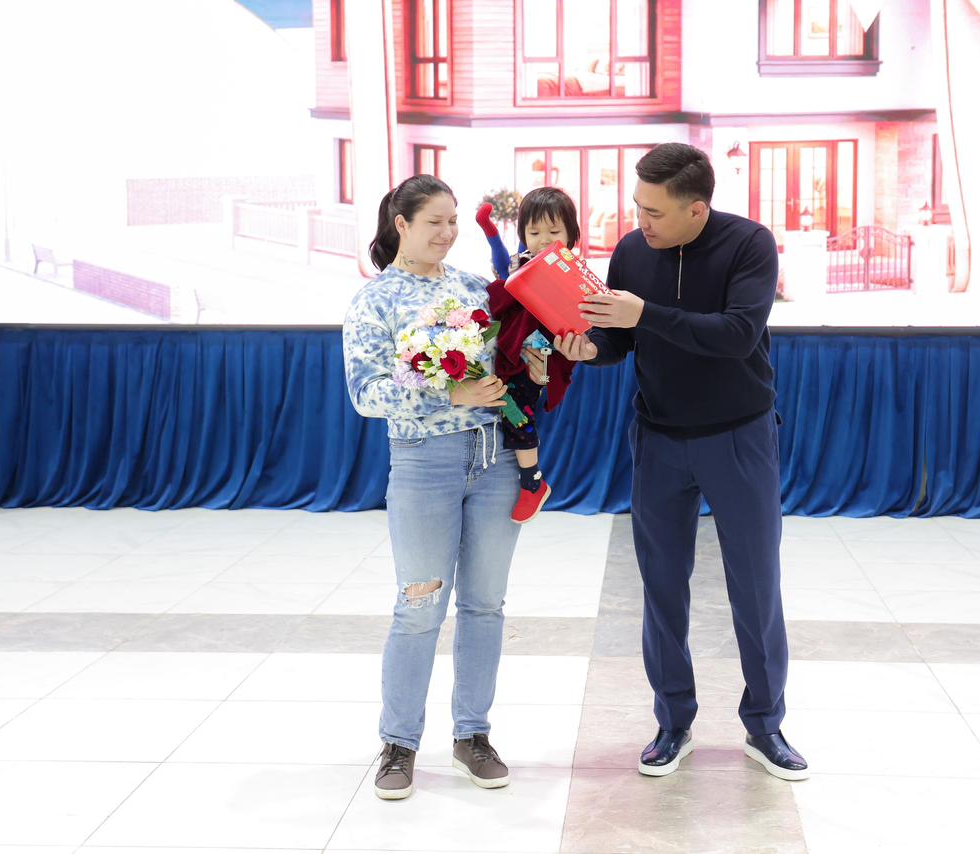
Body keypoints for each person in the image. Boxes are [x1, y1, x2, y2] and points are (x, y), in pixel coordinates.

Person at [554, 143, 809, 781]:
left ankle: (766, 725)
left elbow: (737, 335)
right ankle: (673, 721)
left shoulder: (749, 245)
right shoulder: (631, 251)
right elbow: (619, 339)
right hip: (659, 438)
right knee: (662, 585)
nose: (641, 221)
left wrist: (645, 313)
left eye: (655, 212)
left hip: (739, 436)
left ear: (697, 209)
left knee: (756, 584)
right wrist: (589, 350)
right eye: (637, 207)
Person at [343, 174, 547, 800]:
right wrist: (446, 392)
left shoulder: (475, 290)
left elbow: (509, 368)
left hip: (494, 460)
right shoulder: (375, 301)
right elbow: (365, 394)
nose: (448, 232)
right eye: (434, 221)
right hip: (422, 465)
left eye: (453, 220)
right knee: (419, 605)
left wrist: (536, 364)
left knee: (485, 605)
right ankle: (398, 743)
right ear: (401, 224)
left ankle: (472, 735)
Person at [476, 187, 581, 523]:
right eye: (534, 233)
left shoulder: (573, 274)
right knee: (509, 408)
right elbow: (502, 281)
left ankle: (532, 481)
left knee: (518, 413)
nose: (543, 240)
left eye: (554, 232)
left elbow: (572, 332)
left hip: (538, 352)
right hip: (509, 349)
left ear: (571, 235)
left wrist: (544, 362)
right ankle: (530, 480)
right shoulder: (520, 263)